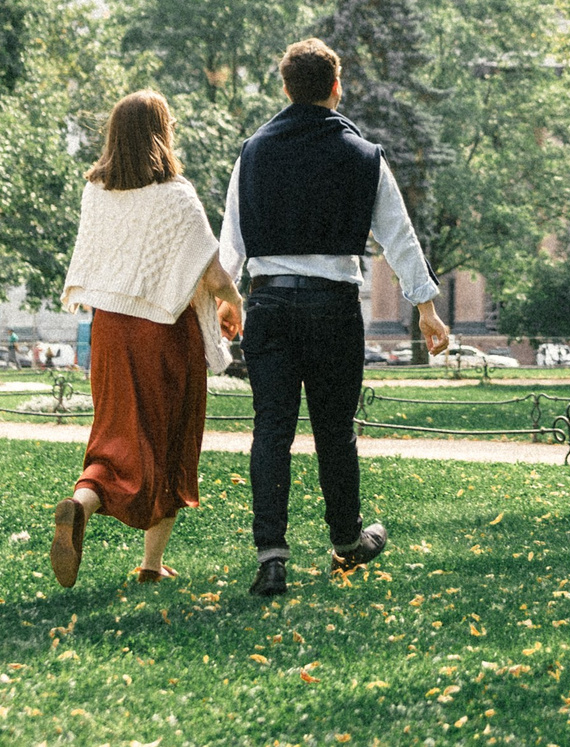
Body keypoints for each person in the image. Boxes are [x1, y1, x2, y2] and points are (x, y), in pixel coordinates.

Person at [221, 38, 450, 600]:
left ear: (284, 88)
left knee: (270, 430)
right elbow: (398, 234)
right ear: (335, 87)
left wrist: (228, 299)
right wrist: (425, 308)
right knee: (334, 432)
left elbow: (232, 235)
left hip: (269, 302)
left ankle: (271, 558)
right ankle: (347, 543)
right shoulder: (363, 155)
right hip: (333, 306)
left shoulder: (252, 152)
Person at [50, 91, 244, 589]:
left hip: (110, 330)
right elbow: (216, 275)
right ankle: (151, 565)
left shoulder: (96, 192)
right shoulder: (176, 196)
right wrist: (234, 304)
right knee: (168, 438)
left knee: (115, 434)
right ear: (163, 133)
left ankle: (83, 501)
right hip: (165, 334)